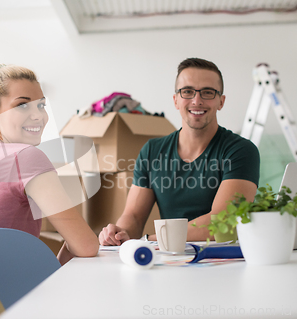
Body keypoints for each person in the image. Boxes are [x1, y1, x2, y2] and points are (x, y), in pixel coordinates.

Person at [0, 64, 99, 264]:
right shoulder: (26, 157)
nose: (38, 115)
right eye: (22, 105)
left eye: (41, 106)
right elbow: (87, 246)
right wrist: (75, 241)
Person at [99, 58, 260, 245]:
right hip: (170, 257)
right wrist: (120, 234)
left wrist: (150, 240)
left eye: (208, 92)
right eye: (188, 92)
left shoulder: (241, 151)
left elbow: (222, 222)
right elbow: (133, 216)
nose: (197, 100)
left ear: (221, 102)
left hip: (223, 260)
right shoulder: (152, 151)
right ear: (176, 100)